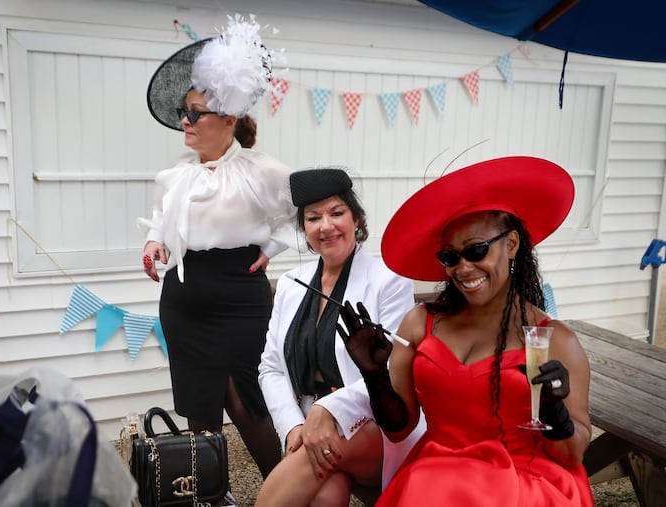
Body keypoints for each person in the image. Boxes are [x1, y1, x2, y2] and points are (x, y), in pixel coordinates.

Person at [338, 156, 594, 506]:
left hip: (525, 484)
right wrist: (375, 377)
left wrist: (555, 413)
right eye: (450, 257)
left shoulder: (555, 339)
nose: (463, 267)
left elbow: (572, 455)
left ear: (513, 244)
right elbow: (400, 429)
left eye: (476, 250)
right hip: (437, 473)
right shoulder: (420, 322)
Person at [138, 15, 295, 479]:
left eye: (194, 114)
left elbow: (300, 214)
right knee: (199, 404)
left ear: (228, 120)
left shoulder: (261, 170)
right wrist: (153, 243)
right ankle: (210, 492)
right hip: (185, 299)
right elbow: (162, 220)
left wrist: (273, 248)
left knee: (248, 399)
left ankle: (285, 487)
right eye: (184, 112)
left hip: (241, 295)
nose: (184, 121)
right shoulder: (176, 174)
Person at [256, 167, 426, 507]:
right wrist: (293, 427)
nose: (326, 226)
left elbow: (393, 371)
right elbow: (271, 369)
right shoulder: (291, 283)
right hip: (307, 428)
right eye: (313, 218)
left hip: (377, 425)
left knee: (320, 452)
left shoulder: (389, 281)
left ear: (357, 220)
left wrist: (327, 410)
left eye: (337, 213)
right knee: (328, 486)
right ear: (304, 228)